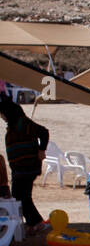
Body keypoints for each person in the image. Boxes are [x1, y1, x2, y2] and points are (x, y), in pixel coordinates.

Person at [0, 93, 51, 238]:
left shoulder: (23, 123)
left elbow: (43, 132)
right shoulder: (14, 125)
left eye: (2, 114)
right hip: (19, 169)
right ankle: (32, 223)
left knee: (21, 196)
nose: (2, 117)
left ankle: (36, 222)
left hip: (27, 168)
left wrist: (42, 150)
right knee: (21, 196)